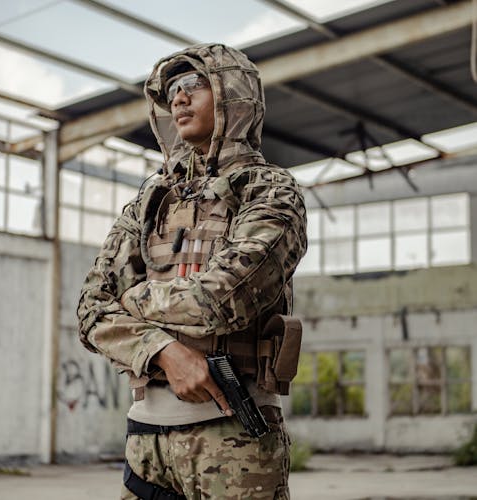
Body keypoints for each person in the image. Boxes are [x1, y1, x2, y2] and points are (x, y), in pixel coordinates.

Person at [77, 43, 307, 500]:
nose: (178, 99)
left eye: (193, 85)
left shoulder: (271, 191)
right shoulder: (151, 201)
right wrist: (163, 350)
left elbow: (221, 300)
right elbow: (89, 311)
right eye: (172, 91)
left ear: (232, 94)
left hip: (233, 440)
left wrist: (134, 298)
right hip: (145, 440)